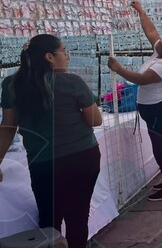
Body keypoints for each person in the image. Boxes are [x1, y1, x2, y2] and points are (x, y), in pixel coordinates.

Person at [0, 34, 103, 247]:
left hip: (43, 164)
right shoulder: (72, 82)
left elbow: (8, 127)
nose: (67, 57)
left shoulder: (12, 84)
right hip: (81, 157)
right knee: (77, 218)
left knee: (49, 220)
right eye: (64, 52)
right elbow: (95, 120)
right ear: (49, 57)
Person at [107, 1, 162, 202]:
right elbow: (151, 30)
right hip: (159, 109)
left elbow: (141, 80)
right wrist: (141, 11)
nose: (159, 39)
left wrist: (119, 69)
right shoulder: (160, 53)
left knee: (161, 147)